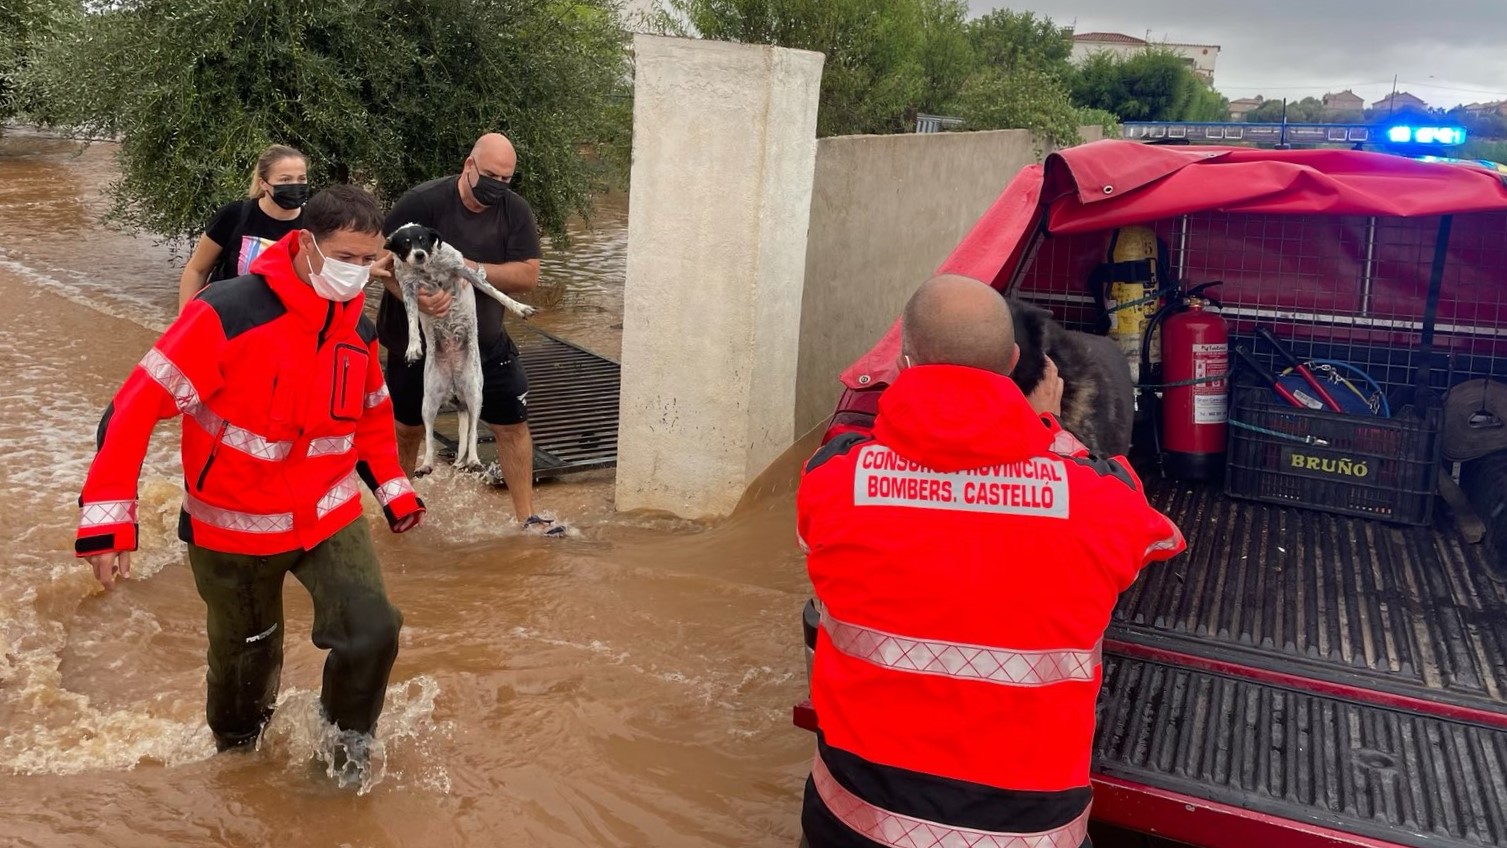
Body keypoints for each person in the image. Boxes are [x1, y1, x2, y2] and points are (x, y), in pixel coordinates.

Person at [795, 275, 1187, 848]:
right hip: (1026, 836)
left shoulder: (832, 478)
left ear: (905, 364)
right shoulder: (1099, 500)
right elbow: (1158, 542)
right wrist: (1053, 435)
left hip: (850, 824)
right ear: (1012, 362)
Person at [75, 185, 427, 785]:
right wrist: (108, 521)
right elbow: (133, 408)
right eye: (347, 258)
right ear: (306, 246)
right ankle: (240, 780)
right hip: (231, 526)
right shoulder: (227, 311)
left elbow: (369, 414)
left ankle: (344, 760)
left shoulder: (358, 330)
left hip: (327, 512)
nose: (359, 274)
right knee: (245, 672)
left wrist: (394, 488)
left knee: (374, 630)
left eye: (370, 262)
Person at [370, 132, 561, 536]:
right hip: (415, 344)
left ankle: (526, 518)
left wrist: (468, 268)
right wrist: (421, 300)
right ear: (468, 165)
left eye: (507, 179)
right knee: (406, 428)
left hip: (482, 341)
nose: (498, 186)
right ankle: (398, 515)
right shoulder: (423, 201)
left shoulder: (514, 211)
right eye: (491, 175)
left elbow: (527, 275)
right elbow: (380, 262)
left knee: (513, 424)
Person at [178, 144, 311, 312]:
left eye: (301, 179)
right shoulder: (234, 215)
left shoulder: (314, 224)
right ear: (264, 183)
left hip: (284, 329)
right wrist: (185, 321)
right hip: (229, 321)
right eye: (285, 180)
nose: (295, 186)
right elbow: (197, 269)